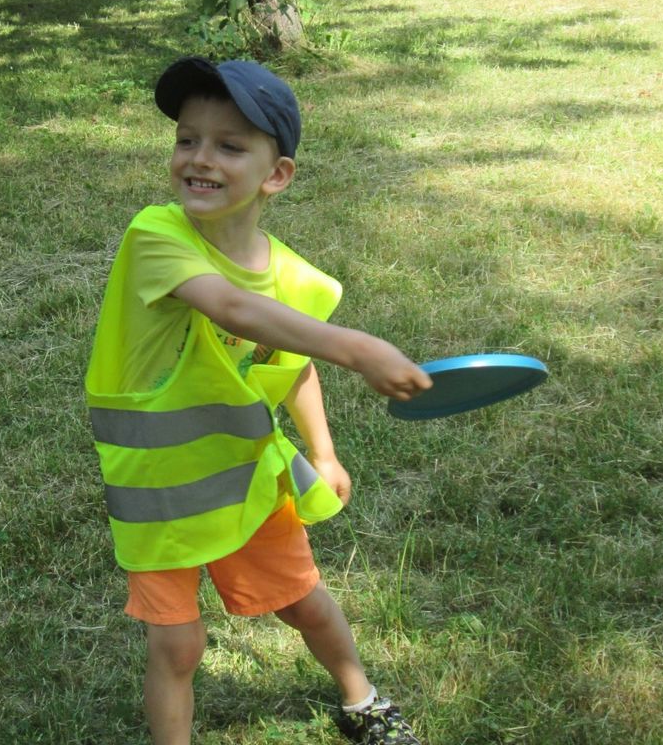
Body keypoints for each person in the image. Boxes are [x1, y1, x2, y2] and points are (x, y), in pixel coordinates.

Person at [85, 56, 432, 745]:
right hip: (159, 492)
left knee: (307, 601)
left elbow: (294, 365)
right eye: (187, 139)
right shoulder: (156, 236)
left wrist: (323, 451)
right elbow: (231, 309)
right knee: (177, 645)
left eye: (229, 146)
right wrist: (357, 346)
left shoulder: (297, 280)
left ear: (276, 175)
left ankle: (361, 700)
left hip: (247, 475)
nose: (199, 158)